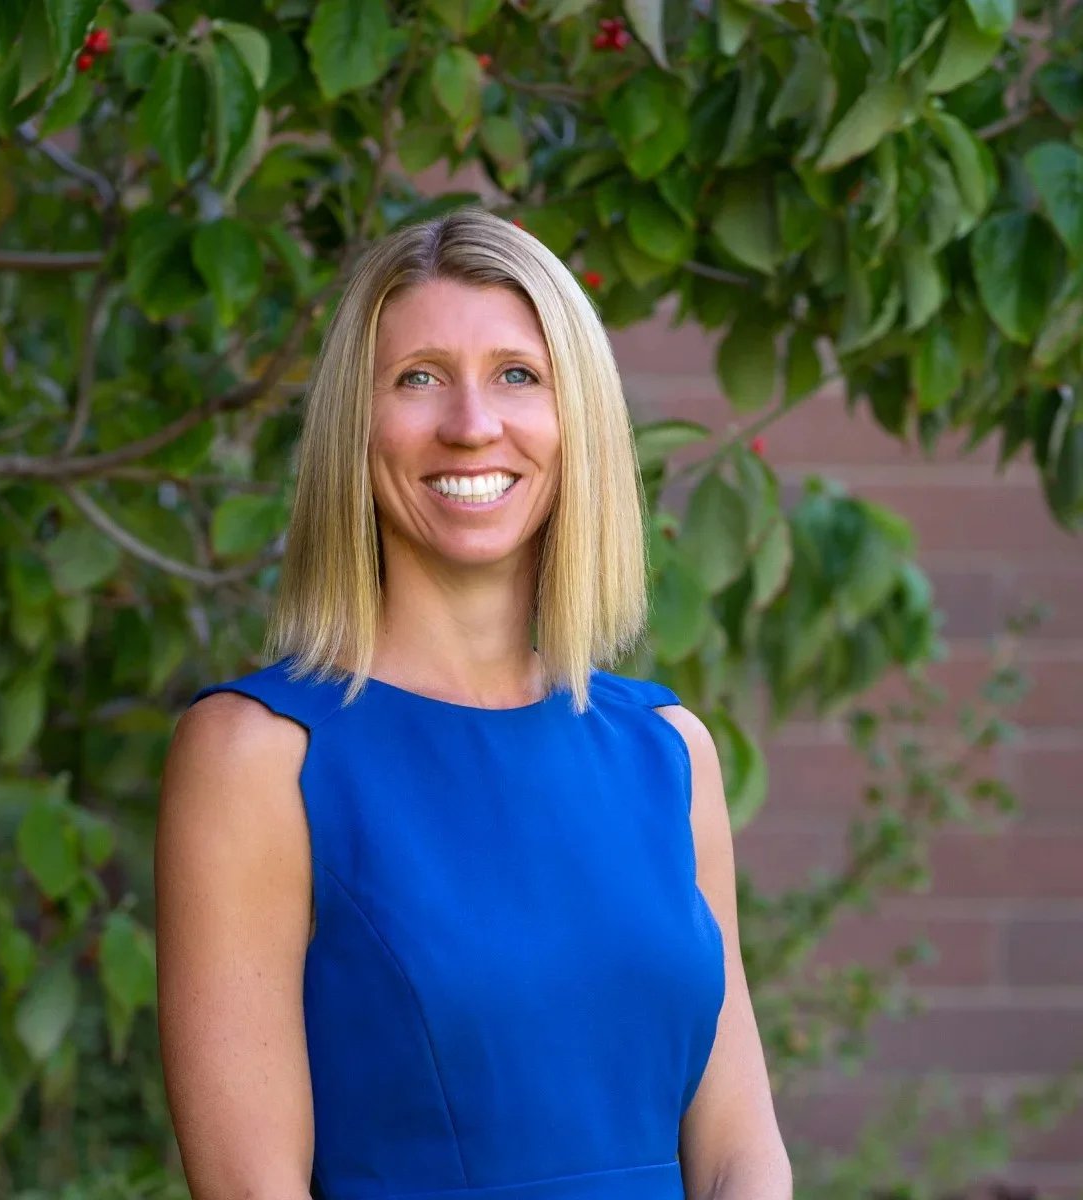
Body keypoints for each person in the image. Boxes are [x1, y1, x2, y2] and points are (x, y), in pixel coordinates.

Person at [155, 206, 792, 1200]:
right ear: (354, 427)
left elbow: (738, 1151)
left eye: (517, 375)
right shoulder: (258, 756)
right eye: (418, 378)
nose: (471, 424)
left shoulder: (669, 755)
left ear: (572, 418)